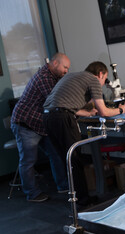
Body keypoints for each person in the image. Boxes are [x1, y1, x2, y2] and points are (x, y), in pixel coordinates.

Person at [42, 61, 125, 207]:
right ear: (101, 74)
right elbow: (104, 112)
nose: (102, 84)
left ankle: (76, 199)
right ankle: (83, 202)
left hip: (48, 117)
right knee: (75, 159)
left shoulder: (71, 77)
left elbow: (64, 104)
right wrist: (121, 110)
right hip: (63, 118)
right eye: (104, 79)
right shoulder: (93, 79)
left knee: (67, 160)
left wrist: (87, 113)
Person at [11, 53, 71, 202]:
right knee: (28, 161)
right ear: (55, 63)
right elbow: (55, 100)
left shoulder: (53, 77)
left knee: (55, 153)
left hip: (40, 124)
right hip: (25, 123)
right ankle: (32, 193)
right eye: (65, 67)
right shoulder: (44, 78)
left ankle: (63, 185)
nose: (66, 71)